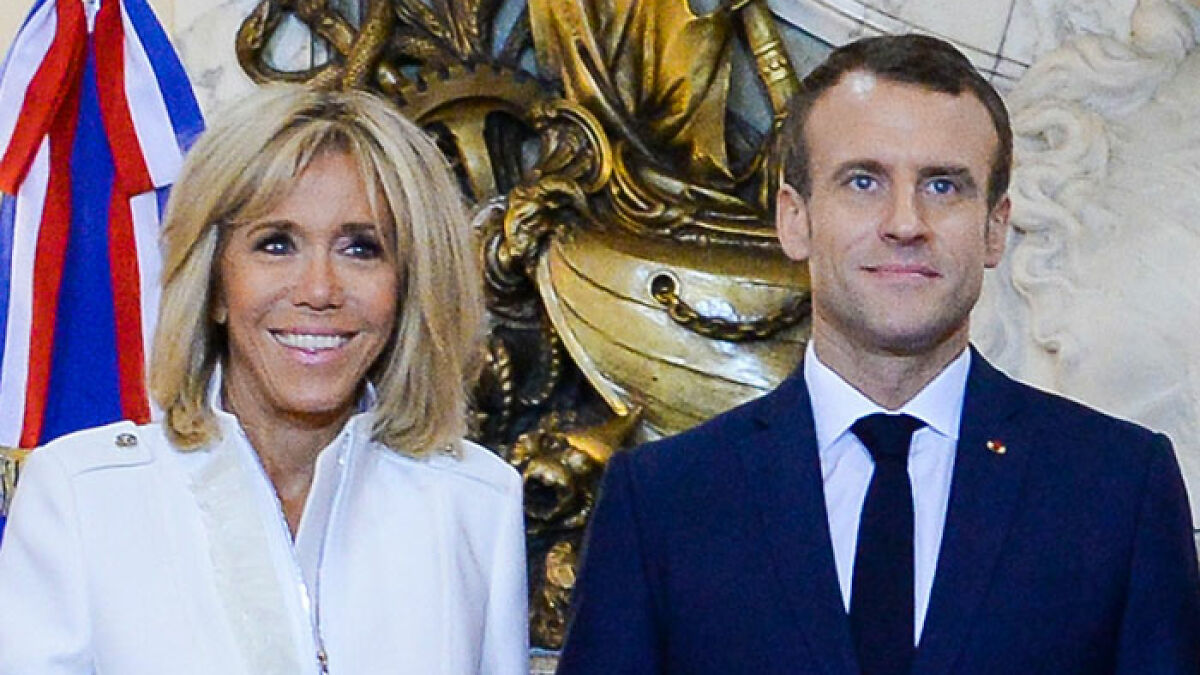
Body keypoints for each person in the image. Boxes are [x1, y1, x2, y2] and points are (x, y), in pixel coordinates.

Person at [556, 34, 1200, 674]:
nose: (904, 222)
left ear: (996, 227)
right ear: (794, 219)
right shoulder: (667, 501)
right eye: (863, 181)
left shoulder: (1117, 490)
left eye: (943, 186)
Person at [0, 85, 528, 674]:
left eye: (361, 248)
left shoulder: (478, 501)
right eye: (276, 244)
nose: (319, 291)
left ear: (409, 285)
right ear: (215, 283)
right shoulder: (82, 495)